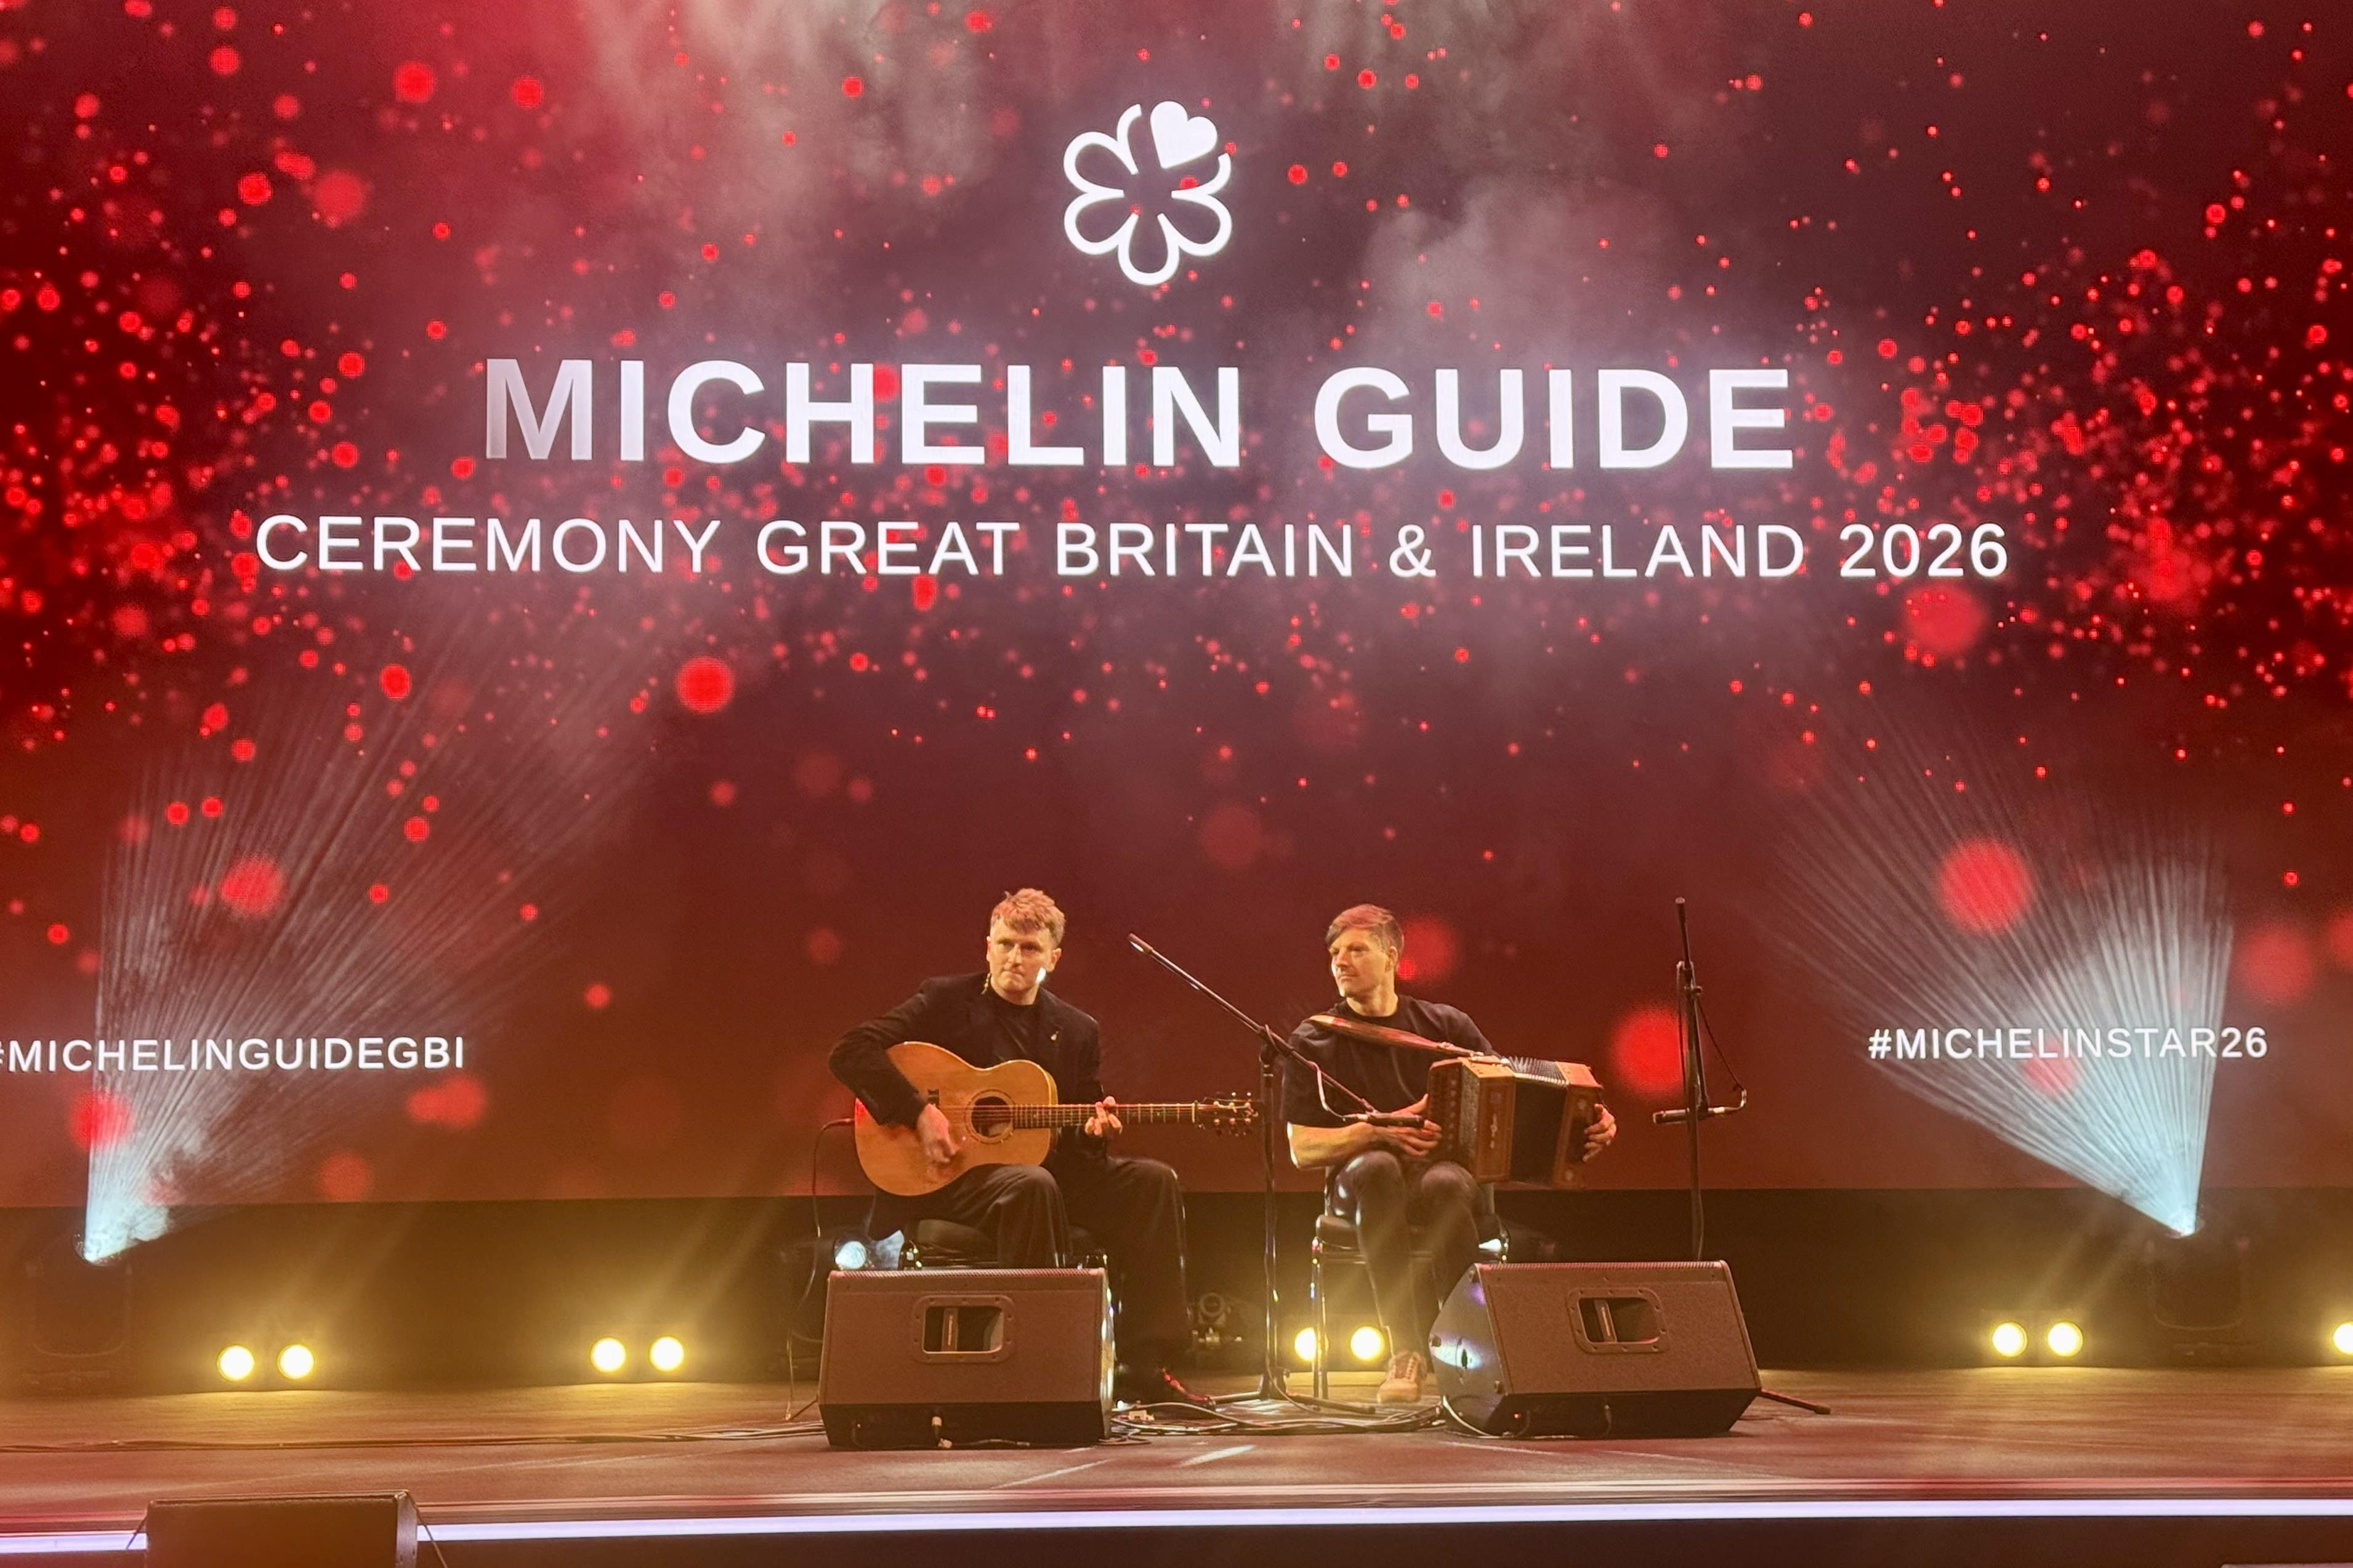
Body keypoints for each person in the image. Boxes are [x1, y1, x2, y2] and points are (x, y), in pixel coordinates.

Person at [829, 888, 1198, 1405]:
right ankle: (1036, 1367)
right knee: (1031, 1184)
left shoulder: (1075, 1030)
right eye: (1005, 944)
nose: (1014, 958)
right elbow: (851, 1051)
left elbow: (1078, 1140)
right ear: (986, 946)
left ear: (1053, 957)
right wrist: (919, 1110)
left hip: (1040, 1175)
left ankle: (1146, 1365)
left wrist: (1095, 1133)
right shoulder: (944, 1002)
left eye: (1028, 948)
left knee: (1151, 1182)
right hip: (951, 1176)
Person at [1283, 904, 1619, 1404]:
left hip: (1442, 1183)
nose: (1341, 961)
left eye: (1356, 949)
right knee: (1377, 1168)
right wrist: (1380, 1132)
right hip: (1362, 1190)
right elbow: (1301, 1147)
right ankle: (1405, 1350)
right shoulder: (1316, 1038)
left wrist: (1587, 1124)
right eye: (1334, 952)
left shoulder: (1445, 1027)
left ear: (1391, 956)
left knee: (1447, 1181)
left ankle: (1460, 1342)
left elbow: (1511, 1097)